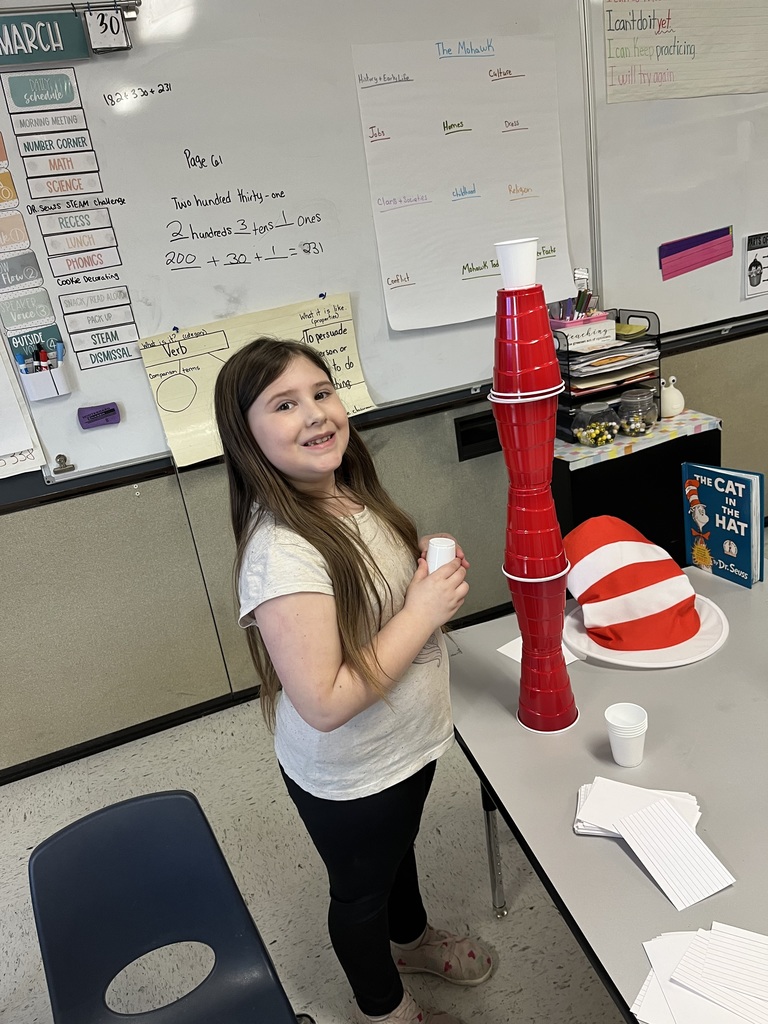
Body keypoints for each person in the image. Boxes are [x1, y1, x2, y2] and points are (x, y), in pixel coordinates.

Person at [214, 337, 493, 1024]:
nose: (315, 414)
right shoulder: (280, 551)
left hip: (404, 745)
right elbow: (325, 700)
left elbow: (368, 608)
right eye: (284, 404)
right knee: (361, 893)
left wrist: (416, 576)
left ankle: (412, 940)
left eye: (322, 393)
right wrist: (423, 610)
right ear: (246, 437)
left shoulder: (343, 491)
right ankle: (386, 1011)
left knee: (398, 856)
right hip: (354, 772)